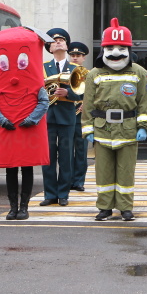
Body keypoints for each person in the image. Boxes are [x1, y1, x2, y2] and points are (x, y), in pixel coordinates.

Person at [82, 18, 147, 221]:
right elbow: (87, 105)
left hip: (128, 129)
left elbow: (144, 103)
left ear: (128, 49)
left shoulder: (139, 72)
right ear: (103, 49)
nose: (115, 52)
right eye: (110, 47)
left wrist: (144, 125)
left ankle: (125, 207)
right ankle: (104, 207)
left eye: (121, 47)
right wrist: (87, 129)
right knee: (103, 171)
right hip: (102, 129)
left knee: (126, 172)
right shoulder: (94, 74)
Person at [0, 27, 50, 221]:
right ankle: (13, 207)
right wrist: (2, 120)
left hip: (26, 127)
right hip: (9, 127)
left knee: (27, 167)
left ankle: (24, 207)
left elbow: (43, 102)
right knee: (10, 168)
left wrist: (32, 119)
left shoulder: (36, 84)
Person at [40, 28, 81, 207]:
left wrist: (68, 93)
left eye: (61, 40)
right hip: (47, 118)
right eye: (54, 40)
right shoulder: (42, 67)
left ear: (67, 45)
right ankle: (50, 193)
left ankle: (63, 193)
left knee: (66, 157)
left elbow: (82, 93)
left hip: (66, 118)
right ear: (49, 47)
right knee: (47, 158)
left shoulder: (75, 68)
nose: (58, 42)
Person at [68, 41, 89, 192]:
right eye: (73, 55)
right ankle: (67, 179)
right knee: (67, 150)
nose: (75, 58)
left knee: (81, 151)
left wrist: (87, 105)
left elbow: (96, 95)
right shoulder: (65, 72)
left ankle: (79, 181)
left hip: (82, 116)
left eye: (78, 55)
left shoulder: (89, 74)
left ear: (84, 58)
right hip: (68, 114)